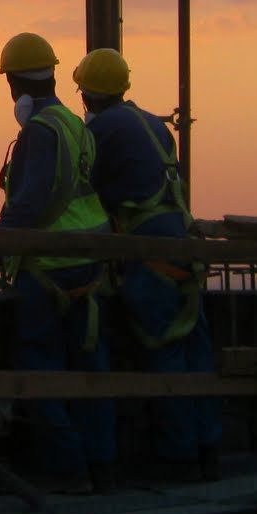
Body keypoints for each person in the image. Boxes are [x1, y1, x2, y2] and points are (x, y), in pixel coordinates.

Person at [77, 48, 219, 481]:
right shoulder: (155, 125)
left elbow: (87, 191)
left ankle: (178, 459)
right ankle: (208, 452)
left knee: (165, 354)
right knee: (196, 352)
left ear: (87, 95)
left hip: (151, 253)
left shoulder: (100, 130)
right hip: (182, 246)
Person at [0, 33, 115, 492]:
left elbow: (28, 206)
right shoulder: (75, 125)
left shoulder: (41, 132)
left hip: (49, 269)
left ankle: (68, 471)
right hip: (89, 265)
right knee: (90, 372)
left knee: (41, 369)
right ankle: (101, 465)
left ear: (15, 84)